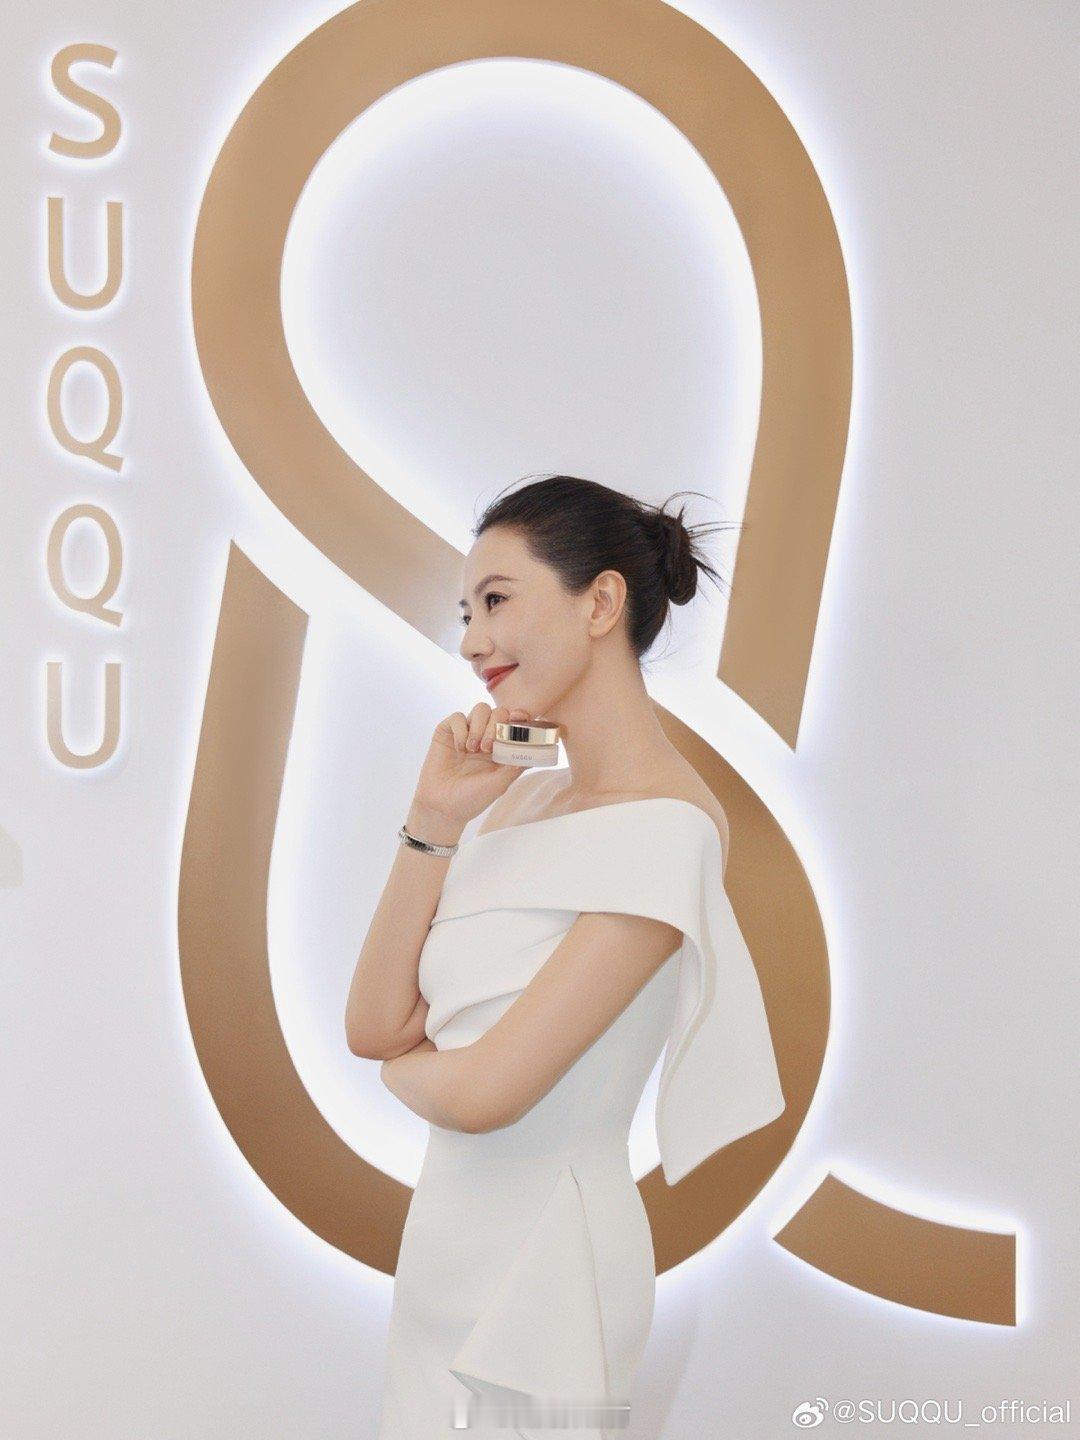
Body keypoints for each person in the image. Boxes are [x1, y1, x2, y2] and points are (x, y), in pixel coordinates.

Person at [345, 474, 786, 1438]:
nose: (472, 641)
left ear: (600, 602)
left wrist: (405, 1070)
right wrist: (432, 820)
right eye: (466, 613)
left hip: (552, 1274)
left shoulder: (669, 828)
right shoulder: (513, 800)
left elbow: (483, 1095)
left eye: (496, 600)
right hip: (444, 1252)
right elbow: (374, 1025)